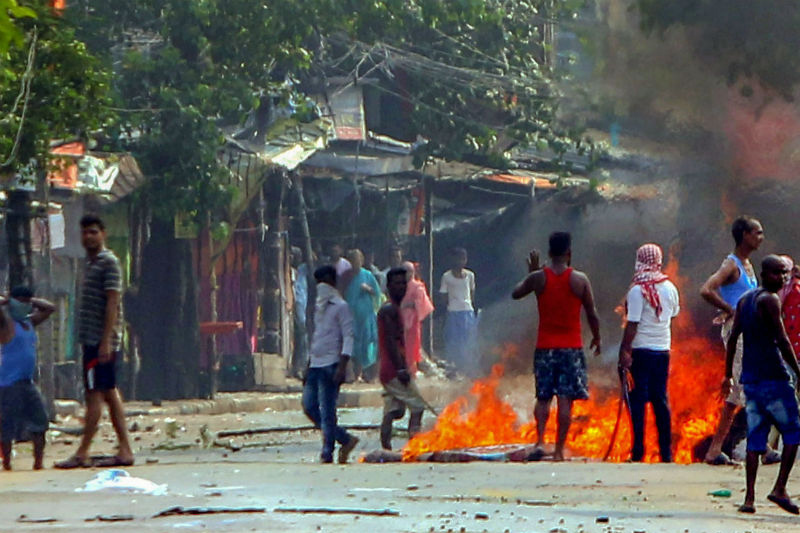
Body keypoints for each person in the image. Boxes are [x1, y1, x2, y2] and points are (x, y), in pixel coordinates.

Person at [512, 232, 601, 461]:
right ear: (569, 253)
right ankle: (559, 451)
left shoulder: (539, 278)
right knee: (565, 398)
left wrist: (531, 273)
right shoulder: (580, 280)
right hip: (571, 348)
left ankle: (540, 441)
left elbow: (516, 293)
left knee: (543, 397)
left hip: (545, 347)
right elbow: (592, 313)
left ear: (550, 253)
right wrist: (597, 338)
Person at [55, 214, 134, 469]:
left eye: (93, 232)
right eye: (85, 233)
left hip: (100, 341)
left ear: (103, 234)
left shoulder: (108, 263)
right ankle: (123, 449)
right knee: (107, 392)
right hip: (92, 340)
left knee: (96, 395)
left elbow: (113, 302)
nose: (88, 237)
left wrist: (105, 341)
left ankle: (83, 452)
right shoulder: (90, 264)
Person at [724, 255, 800, 515]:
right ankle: (779, 488)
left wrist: (728, 375)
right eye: (778, 274)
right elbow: (782, 339)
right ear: (765, 273)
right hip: (774, 378)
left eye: (784, 274)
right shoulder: (770, 299)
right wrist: (799, 372)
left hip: (752, 380)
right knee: (793, 432)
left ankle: (750, 499)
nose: (782, 279)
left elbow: (733, 338)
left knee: (756, 439)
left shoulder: (745, 300)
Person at [700, 216, 775, 465]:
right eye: (757, 232)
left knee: (737, 394)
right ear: (744, 235)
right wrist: (730, 309)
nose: (760, 237)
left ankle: (714, 450)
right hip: (738, 333)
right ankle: (762, 446)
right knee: (747, 386)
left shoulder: (747, 264)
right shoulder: (731, 265)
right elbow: (706, 289)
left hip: (750, 332)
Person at [618, 244, 680, 463]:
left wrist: (624, 351)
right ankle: (666, 454)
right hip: (662, 351)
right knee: (660, 399)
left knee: (638, 401)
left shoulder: (637, 290)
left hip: (641, 351)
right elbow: (672, 315)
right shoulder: (670, 288)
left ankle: (638, 452)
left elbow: (632, 325)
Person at [302, 265, 359, 463]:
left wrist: (343, 365)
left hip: (332, 364)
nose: (321, 286)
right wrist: (308, 364)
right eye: (319, 283)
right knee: (309, 406)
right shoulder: (317, 307)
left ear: (332, 283)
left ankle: (327, 451)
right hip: (315, 364)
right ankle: (345, 438)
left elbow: (348, 337)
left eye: (324, 282)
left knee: (327, 411)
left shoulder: (341, 307)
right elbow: (316, 337)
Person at [0, 287, 55, 470]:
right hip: (9, 383)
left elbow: (49, 308)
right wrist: (7, 302)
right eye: (21, 301)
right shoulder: (7, 324)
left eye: (27, 301)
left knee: (40, 421)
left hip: (27, 382)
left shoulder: (29, 322)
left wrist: (31, 301)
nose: (24, 305)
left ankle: (38, 463)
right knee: (7, 424)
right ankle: (7, 463)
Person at [378, 267, 429, 450]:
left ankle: (385, 448)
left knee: (395, 409)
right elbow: (391, 342)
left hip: (389, 368)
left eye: (403, 283)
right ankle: (414, 445)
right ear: (389, 286)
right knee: (417, 405)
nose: (401, 287)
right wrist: (401, 369)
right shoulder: (390, 310)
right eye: (396, 284)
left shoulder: (395, 308)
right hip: (392, 369)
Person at [343, 249, 381, 381]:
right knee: (353, 346)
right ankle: (354, 373)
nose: (355, 263)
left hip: (365, 317)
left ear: (362, 261)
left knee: (367, 344)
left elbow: (377, 293)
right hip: (351, 317)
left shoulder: (368, 275)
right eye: (353, 261)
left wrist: (368, 289)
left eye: (357, 260)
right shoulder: (346, 276)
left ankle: (368, 374)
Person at [439, 248, 478, 374]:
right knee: (454, 339)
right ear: (452, 259)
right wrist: (452, 305)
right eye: (458, 258)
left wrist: (467, 305)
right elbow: (443, 296)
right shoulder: (446, 277)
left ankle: (466, 366)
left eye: (463, 258)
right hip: (453, 312)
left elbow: (472, 293)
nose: (460, 261)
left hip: (467, 312)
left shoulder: (470, 275)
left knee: (467, 339)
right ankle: (454, 366)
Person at [400, 261, 434, 374]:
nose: (406, 274)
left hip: (413, 322)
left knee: (411, 348)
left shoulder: (418, 286)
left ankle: (411, 372)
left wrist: (407, 305)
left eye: (408, 272)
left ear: (413, 272)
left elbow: (420, 303)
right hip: (400, 321)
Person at [290, 247, 310, 380]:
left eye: (296, 255)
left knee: (302, 337)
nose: (294, 258)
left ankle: (301, 367)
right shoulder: (288, 271)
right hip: (291, 308)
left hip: (303, 309)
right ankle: (295, 367)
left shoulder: (304, 270)